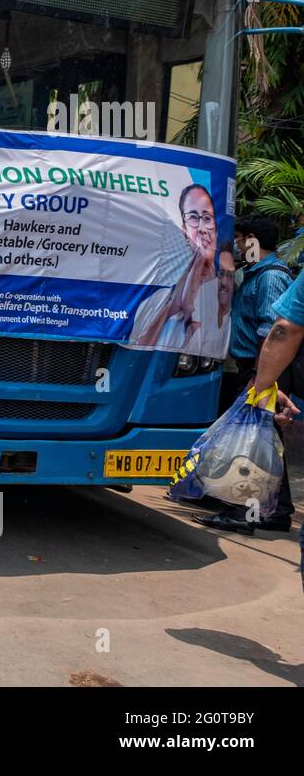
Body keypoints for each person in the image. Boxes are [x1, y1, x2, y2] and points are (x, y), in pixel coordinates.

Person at [197, 259, 302, 536]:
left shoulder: (270, 277)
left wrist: (261, 383)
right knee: (266, 441)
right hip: (261, 368)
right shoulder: (261, 275)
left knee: (252, 442)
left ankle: (243, 513)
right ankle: (275, 511)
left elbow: (277, 330)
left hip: (265, 369)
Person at [129, 184, 220, 355]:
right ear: (184, 230)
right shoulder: (153, 303)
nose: (202, 228)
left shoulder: (224, 292)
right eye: (193, 218)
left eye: (207, 218)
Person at [220, 216, 293, 410]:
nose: (236, 245)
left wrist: (258, 377)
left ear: (251, 239)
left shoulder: (270, 277)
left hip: (259, 371)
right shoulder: (255, 274)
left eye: (237, 238)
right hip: (249, 368)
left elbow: (270, 331)